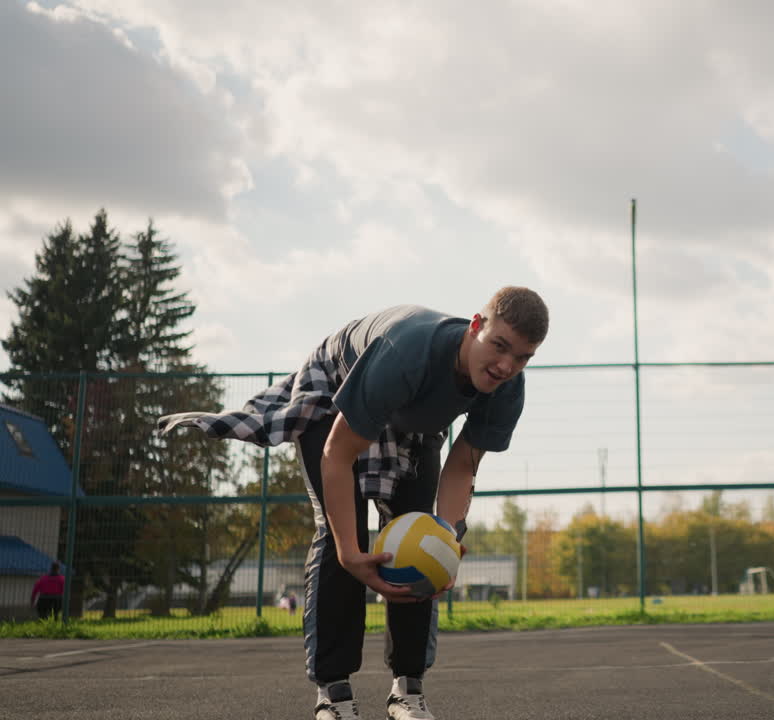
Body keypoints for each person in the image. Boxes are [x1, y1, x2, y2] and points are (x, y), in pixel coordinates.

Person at [159, 287, 548, 720]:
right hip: (336, 390)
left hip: (410, 420)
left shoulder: (507, 388)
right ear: (476, 326)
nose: (505, 366)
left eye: (523, 357)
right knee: (340, 536)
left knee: (424, 540)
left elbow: (463, 466)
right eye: (499, 346)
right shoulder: (407, 354)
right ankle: (335, 694)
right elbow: (337, 454)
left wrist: (447, 538)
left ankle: (407, 689)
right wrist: (349, 554)